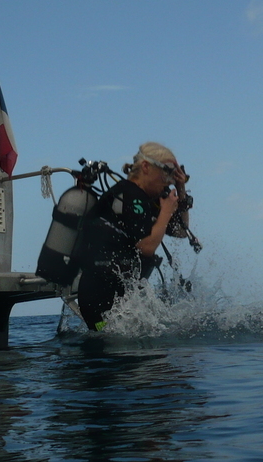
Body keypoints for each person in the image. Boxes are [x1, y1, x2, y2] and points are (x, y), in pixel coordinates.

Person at [76, 142, 191, 331]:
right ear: (146, 167)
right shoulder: (128, 195)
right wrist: (166, 212)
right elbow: (146, 247)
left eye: (175, 174)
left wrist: (181, 190)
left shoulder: (149, 200)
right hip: (100, 302)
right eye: (167, 171)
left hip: (123, 298)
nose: (169, 179)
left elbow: (181, 231)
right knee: (108, 339)